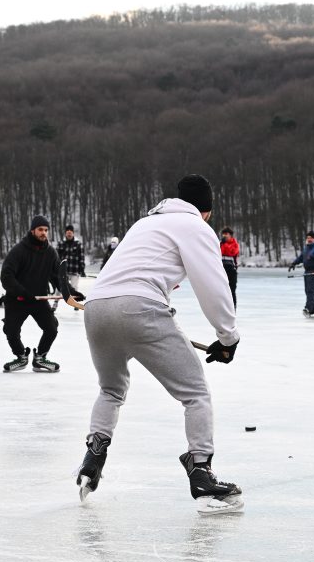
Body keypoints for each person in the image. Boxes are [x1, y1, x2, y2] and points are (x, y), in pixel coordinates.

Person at [76, 174, 243, 513]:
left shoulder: (145, 224)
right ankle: (201, 471)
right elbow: (213, 284)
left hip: (96, 307)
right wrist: (228, 337)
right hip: (139, 307)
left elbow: (140, 268)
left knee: (111, 390)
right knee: (195, 394)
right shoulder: (195, 226)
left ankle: (93, 456)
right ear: (206, 209)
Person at [0, 215, 83, 373]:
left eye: (46, 230)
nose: (44, 233)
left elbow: (58, 278)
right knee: (11, 330)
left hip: (39, 299)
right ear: (32, 231)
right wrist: (22, 292)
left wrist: (72, 293)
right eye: (40, 230)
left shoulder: (50, 253)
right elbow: (6, 277)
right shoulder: (19, 251)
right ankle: (21, 356)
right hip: (17, 299)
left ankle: (40, 358)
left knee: (51, 328)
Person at [288, 231, 314, 317]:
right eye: (308, 238)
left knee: (310, 290)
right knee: (308, 290)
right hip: (307, 272)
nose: (309, 239)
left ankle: (308, 309)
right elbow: (301, 258)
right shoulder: (306, 248)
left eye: (311, 238)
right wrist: (294, 263)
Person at [55, 224, 87, 311]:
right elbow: (56, 258)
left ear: (73, 233)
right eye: (67, 232)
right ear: (65, 233)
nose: (69, 233)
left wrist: (82, 269)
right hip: (63, 271)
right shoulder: (61, 243)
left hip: (74, 270)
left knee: (74, 287)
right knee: (59, 287)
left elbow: (81, 257)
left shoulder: (78, 244)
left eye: (70, 232)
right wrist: (56, 268)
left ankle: (75, 304)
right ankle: (55, 303)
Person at [220, 227, 240, 307]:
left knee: (232, 290)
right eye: (223, 234)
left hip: (231, 269)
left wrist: (224, 244)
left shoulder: (235, 244)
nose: (224, 236)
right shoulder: (220, 244)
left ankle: (233, 308)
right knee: (221, 290)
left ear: (230, 235)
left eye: (226, 234)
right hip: (221, 269)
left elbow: (231, 252)